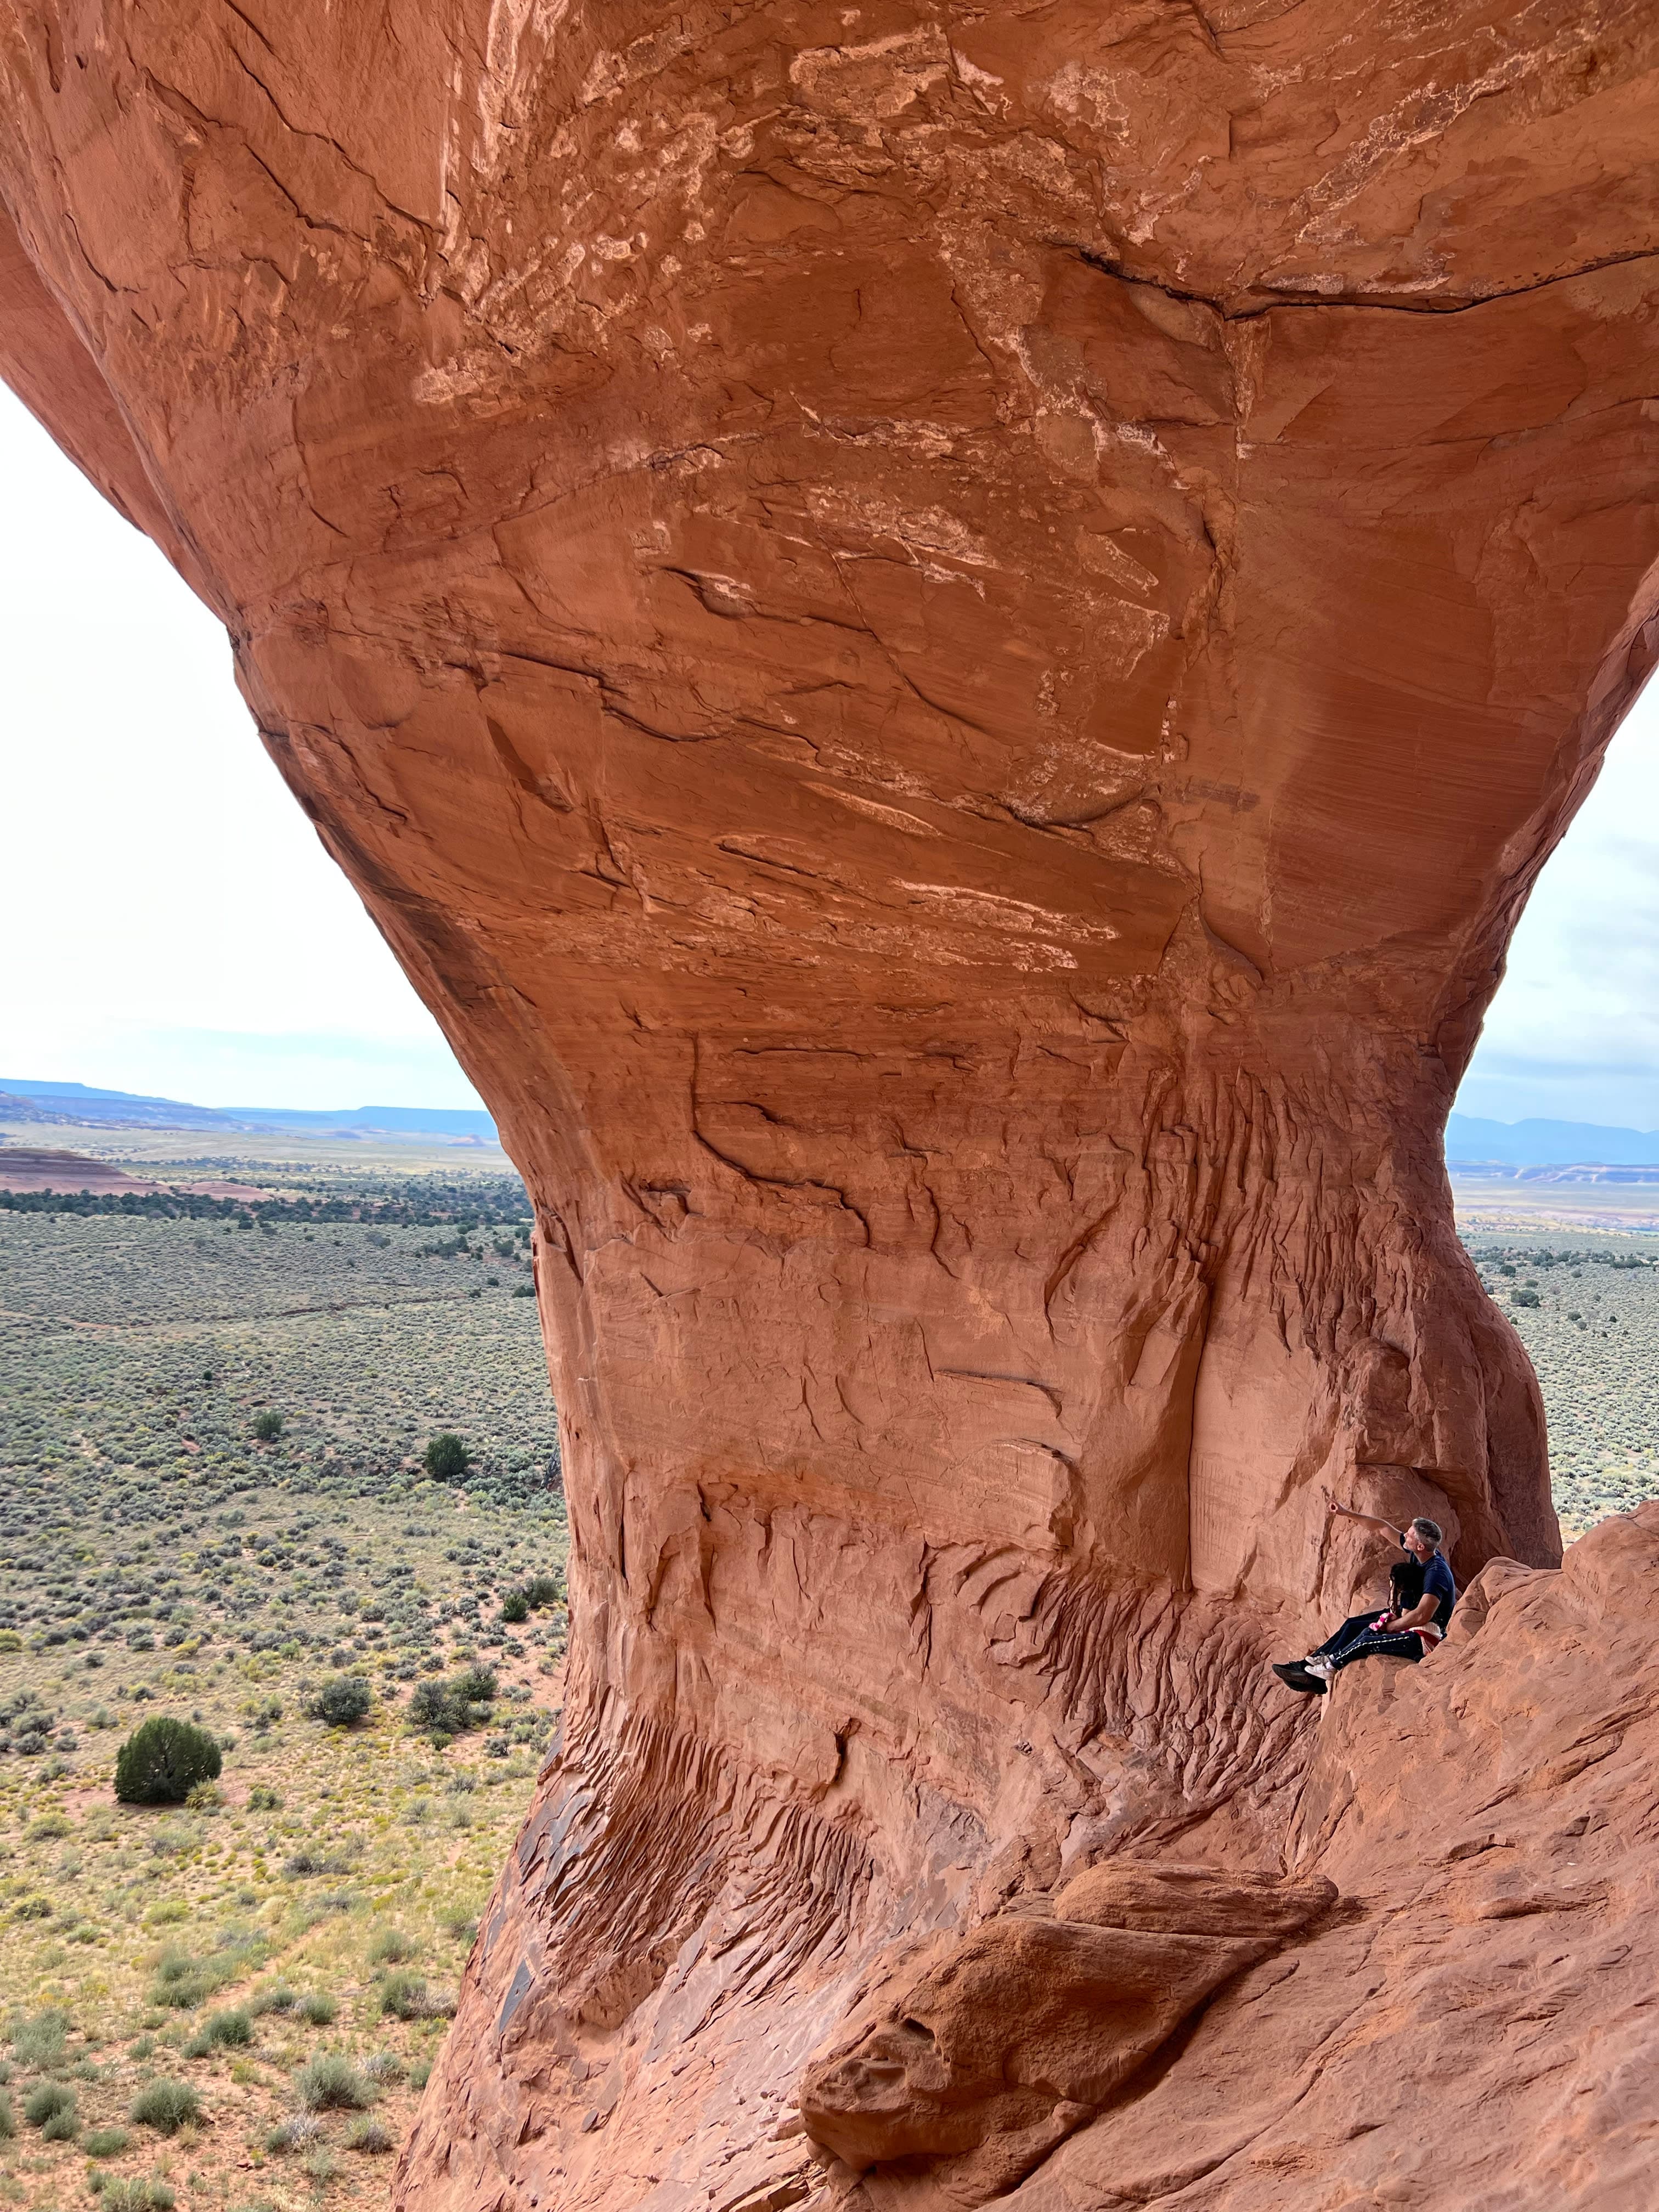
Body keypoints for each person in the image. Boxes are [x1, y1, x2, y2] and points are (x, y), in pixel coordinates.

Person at [1273, 1499, 1457, 1696]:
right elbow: (1381, 1528)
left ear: (1420, 1546)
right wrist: (1346, 1513)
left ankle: (1325, 1669)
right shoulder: (1420, 1553)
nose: (1405, 1535)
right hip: (1411, 1612)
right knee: (1353, 1624)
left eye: (1410, 1535)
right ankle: (1307, 1666)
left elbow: (1423, 1615)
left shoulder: (1436, 1573)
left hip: (1428, 1631)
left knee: (1369, 1636)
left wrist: (1393, 1626)